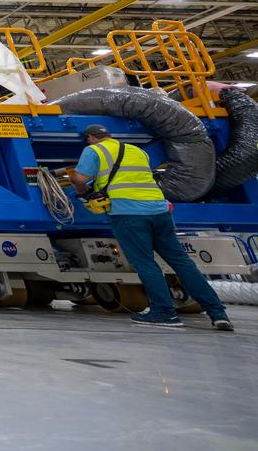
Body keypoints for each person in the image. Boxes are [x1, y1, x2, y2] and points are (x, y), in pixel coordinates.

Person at [68, 124, 232, 330]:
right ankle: (218, 313)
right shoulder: (137, 151)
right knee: (181, 262)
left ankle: (164, 312)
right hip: (160, 210)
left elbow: (80, 178)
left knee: (145, 263)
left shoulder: (94, 150)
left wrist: (81, 190)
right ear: (109, 135)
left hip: (127, 213)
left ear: (91, 138)